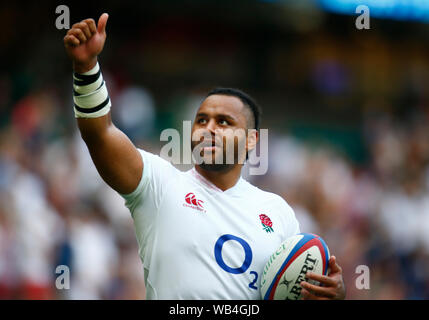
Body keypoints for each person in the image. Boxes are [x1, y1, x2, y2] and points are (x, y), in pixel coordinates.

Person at [63, 13, 346, 300]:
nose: (208, 128)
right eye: (201, 120)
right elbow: (100, 135)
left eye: (224, 122)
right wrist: (86, 68)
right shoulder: (159, 185)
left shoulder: (279, 213)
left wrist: (329, 296)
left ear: (251, 140)